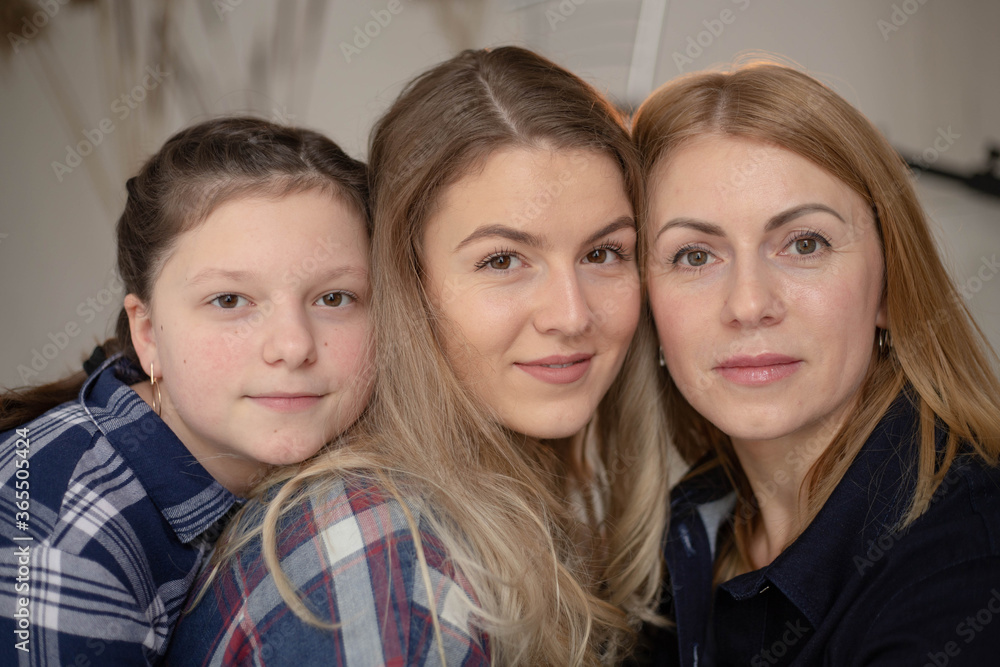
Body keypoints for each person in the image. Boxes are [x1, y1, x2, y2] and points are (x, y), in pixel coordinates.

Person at [168, 46, 669, 666]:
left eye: (603, 253)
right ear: (408, 280)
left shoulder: (505, 499)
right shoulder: (376, 560)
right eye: (502, 260)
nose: (571, 315)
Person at [633, 62, 1000, 666]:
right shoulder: (681, 537)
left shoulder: (968, 568)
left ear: (889, 287)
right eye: (694, 255)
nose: (749, 304)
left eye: (805, 244)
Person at [0, 117, 374, 664]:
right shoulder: (67, 545)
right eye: (230, 300)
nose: (294, 347)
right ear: (148, 334)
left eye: (334, 298)